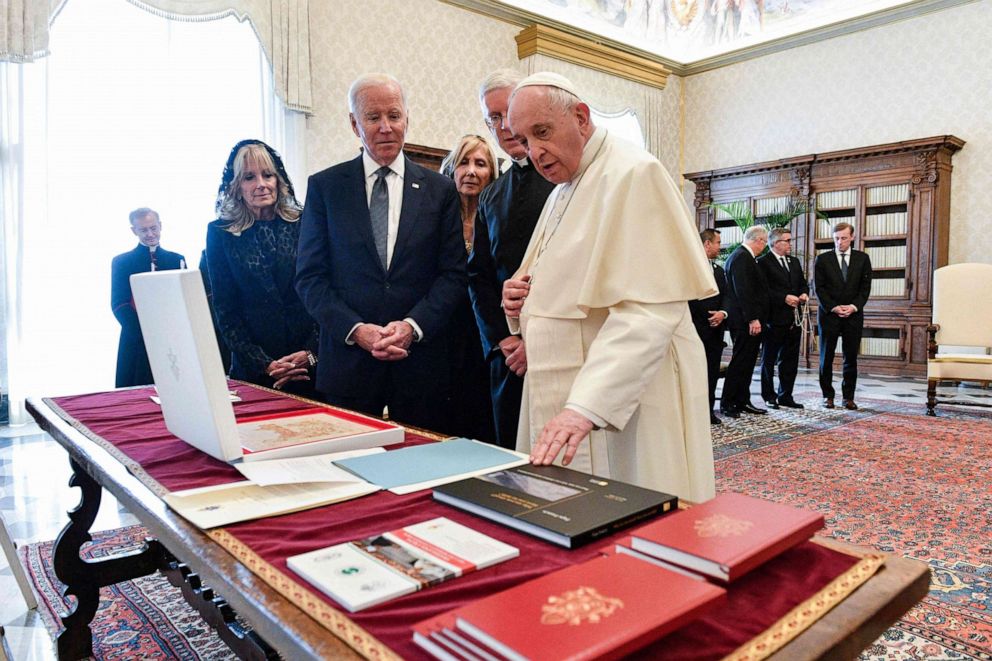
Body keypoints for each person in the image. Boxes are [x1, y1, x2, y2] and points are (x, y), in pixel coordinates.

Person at [501, 72, 717, 502]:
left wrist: (586, 406)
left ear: (580, 117)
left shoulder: (635, 173)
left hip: (634, 396)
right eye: (524, 140)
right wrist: (518, 302)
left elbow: (648, 311)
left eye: (542, 132)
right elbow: (558, 289)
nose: (534, 152)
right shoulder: (563, 189)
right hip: (568, 380)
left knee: (637, 505)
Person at [295, 73, 466, 431]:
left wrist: (411, 326)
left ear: (407, 119)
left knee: (424, 474)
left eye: (394, 115)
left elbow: (452, 275)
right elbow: (310, 278)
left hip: (420, 366)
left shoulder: (440, 190)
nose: (386, 127)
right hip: (348, 367)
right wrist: (356, 330)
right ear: (355, 124)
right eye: (373, 118)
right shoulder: (325, 187)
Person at [469, 69, 557, 449]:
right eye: (493, 118)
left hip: (559, 351)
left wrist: (535, 342)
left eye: (508, 112)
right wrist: (504, 340)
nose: (503, 125)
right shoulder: (491, 195)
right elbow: (479, 276)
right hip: (508, 359)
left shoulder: (566, 179)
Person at [206, 139, 318, 396]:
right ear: (235, 186)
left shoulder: (306, 222)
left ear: (279, 179)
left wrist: (311, 353)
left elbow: (324, 291)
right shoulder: (219, 233)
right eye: (249, 177)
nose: (261, 184)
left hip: (309, 365)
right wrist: (265, 364)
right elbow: (225, 308)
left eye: (268, 175)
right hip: (253, 370)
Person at [439, 134, 499, 442]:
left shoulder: (498, 219)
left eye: (480, 163)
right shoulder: (435, 218)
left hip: (484, 337)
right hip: (443, 336)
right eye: (464, 162)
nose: (471, 171)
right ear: (452, 169)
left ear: (492, 173)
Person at [111, 208, 186, 387]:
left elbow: (182, 299)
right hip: (136, 339)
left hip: (170, 338)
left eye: (153, 228)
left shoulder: (177, 259)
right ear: (134, 231)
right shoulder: (122, 262)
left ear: (160, 226)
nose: (150, 234)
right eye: (144, 230)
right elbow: (118, 304)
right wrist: (145, 333)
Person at [813, 221, 872, 410]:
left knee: (850, 357)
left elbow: (865, 288)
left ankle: (848, 397)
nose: (840, 242)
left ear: (852, 237)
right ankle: (827, 396)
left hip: (853, 316)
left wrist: (854, 307)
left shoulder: (862, 259)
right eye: (836, 238)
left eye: (844, 238)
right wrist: (834, 307)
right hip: (829, 315)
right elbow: (819, 289)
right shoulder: (822, 259)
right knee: (826, 357)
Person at [720, 224, 769, 418]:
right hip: (743, 320)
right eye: (764, 242)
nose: (764, 247)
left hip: (747, 319)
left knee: (748, 362)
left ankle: (742, 400)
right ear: (758, 240)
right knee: (740, 362)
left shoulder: (746, 257)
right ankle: (729, 402)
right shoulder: (741, 257)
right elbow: (743, 292)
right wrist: (753, 318)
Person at [757, 227, 808, 409]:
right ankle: (769, 396)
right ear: (775, 243)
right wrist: (783, 297)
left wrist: (803, 294)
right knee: (769, 360)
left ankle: (786, 395)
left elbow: (803, 283)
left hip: (794, 319)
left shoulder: (794, 262)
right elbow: (763, 291)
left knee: (790, 360)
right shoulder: (763, 262)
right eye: (787, 240)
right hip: (773, 319)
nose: (790, 244)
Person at [689, 229, 728, 425]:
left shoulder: (719, 271)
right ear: (707, 244)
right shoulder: (690, 270)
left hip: (715, 332)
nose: (720, 247)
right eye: (718, 242)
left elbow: (727, 297)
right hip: (696, 330)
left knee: (711, 373)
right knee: (695, 375)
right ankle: (693, 414)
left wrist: (722, 314)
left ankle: (709, 411)